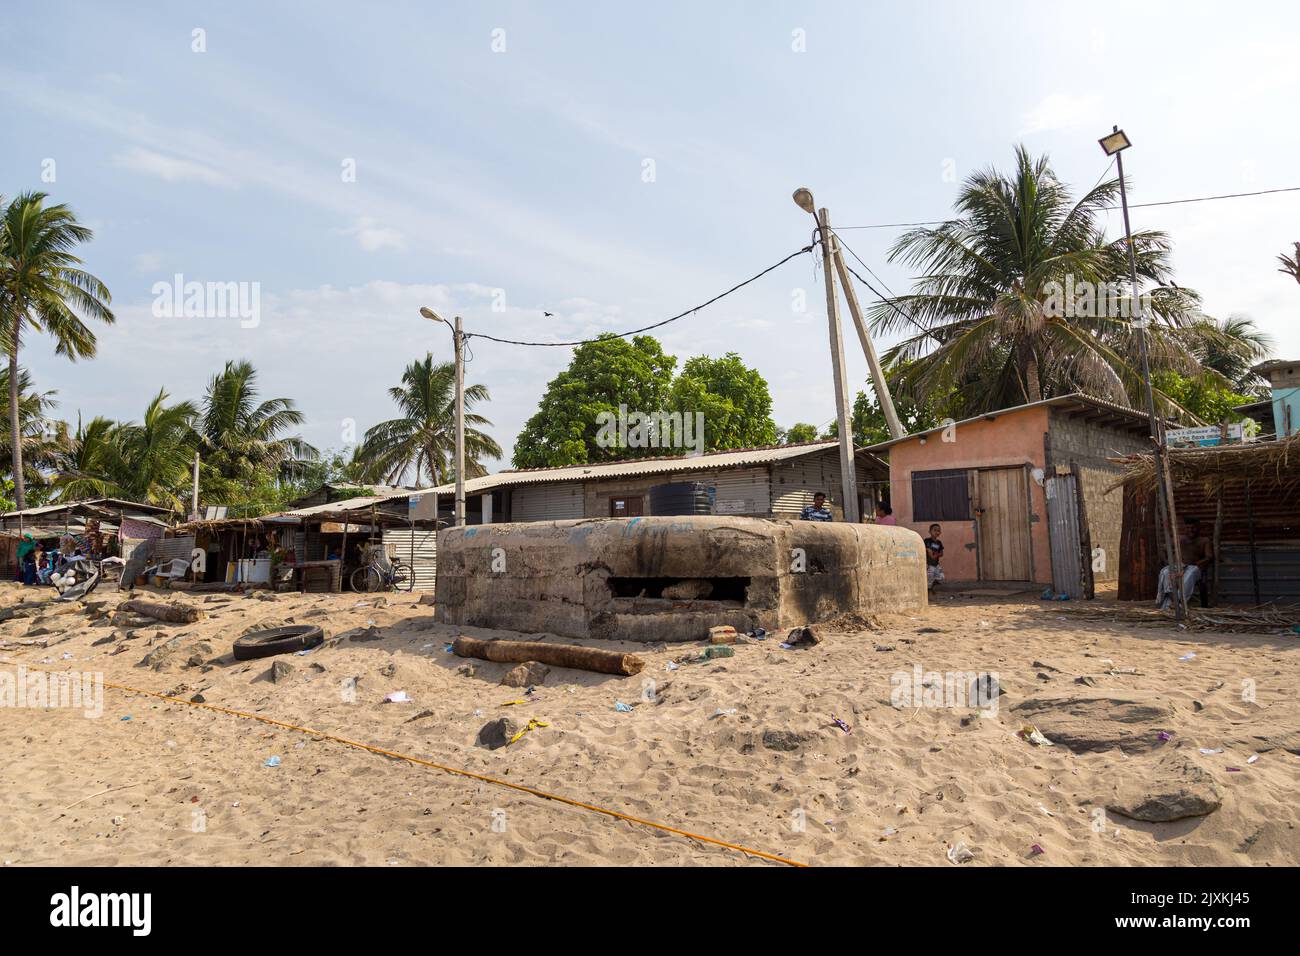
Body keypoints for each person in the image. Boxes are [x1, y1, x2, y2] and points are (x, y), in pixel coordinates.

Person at [1156, 516, 1214, 610]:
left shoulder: (1204, 540)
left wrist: (1199, 563)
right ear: (1184, 528)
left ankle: (1178, 600)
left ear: (1198, 528)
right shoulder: (1179, 538)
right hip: (1179, 567)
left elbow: (1209, 557)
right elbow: (1164, 548)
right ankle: (1174, 602)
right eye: (1188, 528)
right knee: (1165, 572)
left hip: (1195, 567)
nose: (1191, 530)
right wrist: (1167, 561)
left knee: (1190, 572)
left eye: (1193, 528)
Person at [923, 523, 945, 592]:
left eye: (938, 531)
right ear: (930, 531)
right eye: (934, 530)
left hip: (936, 564)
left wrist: (936, 554)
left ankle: (931, 586)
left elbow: (941, 553)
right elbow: (930, 554)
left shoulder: (939, 543)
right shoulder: (927, 541)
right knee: (929, 579)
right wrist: (935, 554)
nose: (937, 532)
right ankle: (928, 592)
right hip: (929, 564)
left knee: (941, 578)